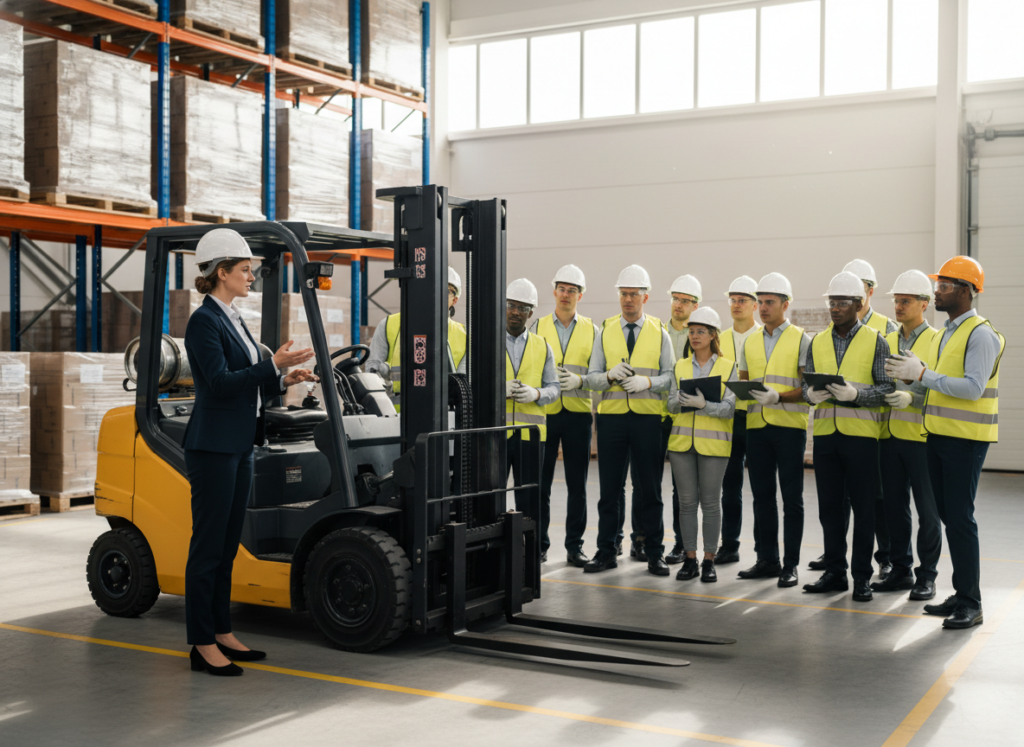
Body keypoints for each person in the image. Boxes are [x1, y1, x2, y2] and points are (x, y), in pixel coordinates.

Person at [182, 229, 317, 676]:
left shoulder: (234, 317)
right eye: (245, 270)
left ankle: (221, 630)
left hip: (239, 443)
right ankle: (201, 643)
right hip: (213, 446)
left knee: (226, 546)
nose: (251, 277)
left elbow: (249, 378)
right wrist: (271, 365)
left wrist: (282, 379)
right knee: (207, 547)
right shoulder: (204, 321)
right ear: (222, 273)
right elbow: (219, 383)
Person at [889, 256, 1005, 630]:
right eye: (937, 285)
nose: (936, 292)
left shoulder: (980, 334)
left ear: (967, 291)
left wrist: (923, 373)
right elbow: (938, 386)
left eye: (944, 286)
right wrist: (913, 385)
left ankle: (972, 602)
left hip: (965, 441)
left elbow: (971, 389)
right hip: (937, 436)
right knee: (949, 518)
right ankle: (959, 592)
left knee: (960, 520)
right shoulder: (947, 334)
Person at [801, 272, 894, 602]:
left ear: (859, 304)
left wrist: (856, 394)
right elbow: (806, 383)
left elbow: (886, 389)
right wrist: (810, 395)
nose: (835, 308)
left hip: (861, 437)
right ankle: (835, 572)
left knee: (865, 510)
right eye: (832, 302)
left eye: (842, 303)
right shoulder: (818, 341)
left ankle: (862, 577)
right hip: (826, 435)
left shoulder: (876, 340)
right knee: (829, 509)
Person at [582, 264, 675, 576]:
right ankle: (606, 550)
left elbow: (671, 377)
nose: (628, 300)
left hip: (647, 420)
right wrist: (608, 376)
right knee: (610, 489)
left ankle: (654, 552)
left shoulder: (660, 334)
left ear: (645, 298)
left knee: (649, 489)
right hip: (611, 421)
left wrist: (648, 384)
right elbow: (592, 379)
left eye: (634, 294)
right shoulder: (605, 332)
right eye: (623, 294)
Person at [736, 273, 811, 588]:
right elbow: (743, 381)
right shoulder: (750, 340)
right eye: (760, 302)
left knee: (791, 498)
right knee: (762, 497)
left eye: (769, 302)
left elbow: (808, 388)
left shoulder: (801, 339)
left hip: (789, 428)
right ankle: (767, 560)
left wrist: (779, 397)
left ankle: (790, 565)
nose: (763, 308)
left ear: (785, 304)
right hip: (756, 428)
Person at [874, 270, 942, 600]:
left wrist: (912, 397)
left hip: (923, 438)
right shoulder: (885, 340)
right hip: (889, 436)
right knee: (894, 507)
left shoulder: (937, 340)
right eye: (896, 301)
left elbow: (941, 389)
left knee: (928, 511)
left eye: (905, 301)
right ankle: (899, 569)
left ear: (924, 304)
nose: (898, 306)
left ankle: (926, 575)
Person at [666, 307, 737, 583]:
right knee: (686, 504)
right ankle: (690, 558)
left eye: (700, 332)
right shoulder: (680, 366)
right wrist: (682, 401)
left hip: (715, 446)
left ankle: (709, 560)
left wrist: (704, 405)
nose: (694, 336)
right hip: (681, 443)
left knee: (710, 504)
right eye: (691, 332)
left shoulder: (728, 366)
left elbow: (730, 409)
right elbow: (670, 404)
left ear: (712, 335)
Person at [532, 265, 596, 568]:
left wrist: (581, 380)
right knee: (540, 484)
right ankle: (539, 545)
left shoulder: (593, 330)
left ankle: (575, 547)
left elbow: (597, 373)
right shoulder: (538, 326)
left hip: (578, 414)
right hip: (545, 413)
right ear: (554, 291)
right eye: (562, 288)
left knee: (577, 485)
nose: (566, 294)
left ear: (580, 295)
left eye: (572, 290)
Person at [505, 278, 560, 562]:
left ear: (531, 313)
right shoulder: (484, 341)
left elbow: (555, 388)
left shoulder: (542, 346)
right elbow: (468, 382)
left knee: (532, 496)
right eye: (511, 305)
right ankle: (498, 547)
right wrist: (496, 390)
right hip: (495, 435)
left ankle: (534, 548)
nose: (515, 312)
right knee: (491, 495)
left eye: (522, 308)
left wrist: (536, 392)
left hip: (529, 435)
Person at [366, 266, 467, 410]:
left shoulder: (464, 335)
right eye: (429, 286)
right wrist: (383, 375)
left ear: (454, 300)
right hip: (395, 418)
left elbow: (463, 383)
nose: (435, 293)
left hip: (444, 418)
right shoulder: (389, 325)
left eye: (445, 290)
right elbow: (372, 373)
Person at [654, 274, 702, 565]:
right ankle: (644, 539)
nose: (679, 305)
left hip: (684, 418)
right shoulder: (656, 331)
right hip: (656, 416)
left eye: (685, 301)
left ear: (695, 306)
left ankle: (681, 544)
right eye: (676, 299)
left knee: (681, 487)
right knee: (648, 482)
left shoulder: (699, 335)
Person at [715, 275, 761, 566]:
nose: (736, 305)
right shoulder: (719, 339)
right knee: (729, 488)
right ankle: (729, 545)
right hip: (728, 420)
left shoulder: (764, 338)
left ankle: (764, 553)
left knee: (761, 490)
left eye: (742, 300)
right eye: (732, 300)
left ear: (755, 305)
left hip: (757, 419)